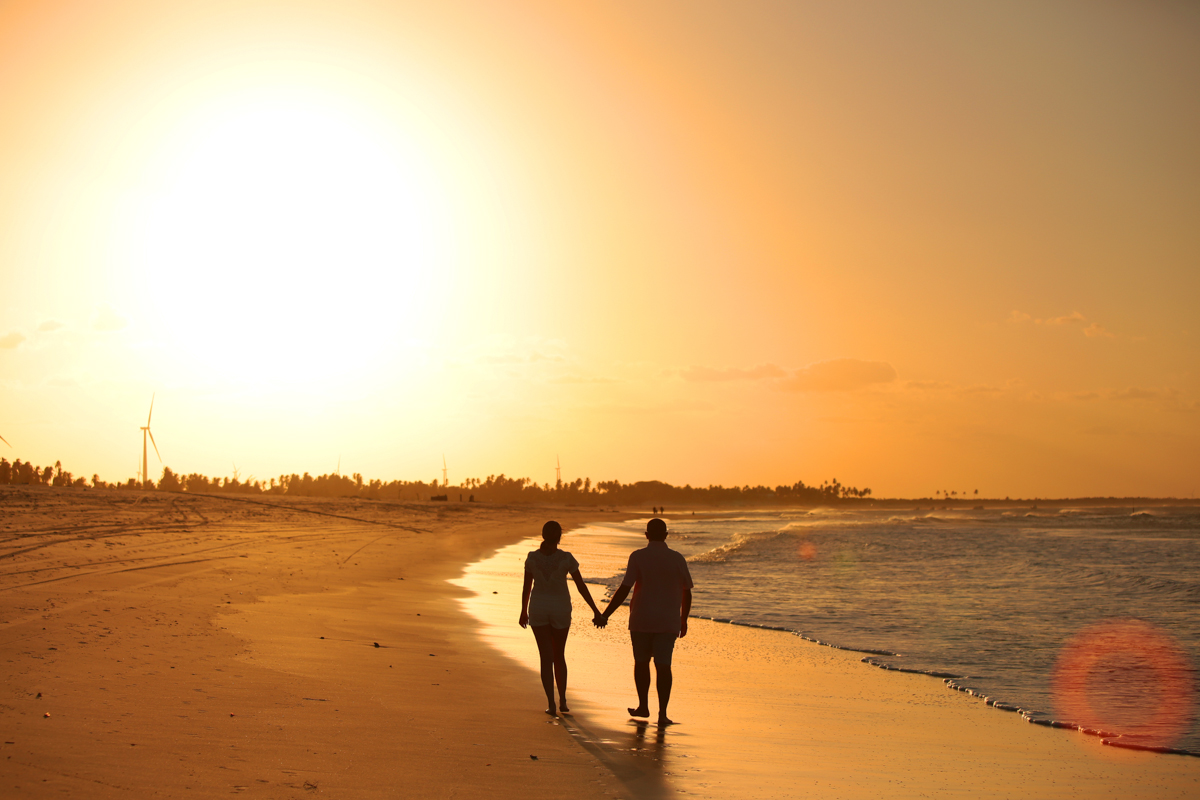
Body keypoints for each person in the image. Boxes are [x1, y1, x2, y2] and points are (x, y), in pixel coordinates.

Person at [597, 518, 693, 725]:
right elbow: (687, 590)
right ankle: (663, 713)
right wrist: (683, 619)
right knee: (664, 665)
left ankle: (643, 706)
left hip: (642, 618)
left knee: (641, 662)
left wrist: (606, 614)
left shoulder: (638, 556)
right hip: (668, 620)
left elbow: (625, 588)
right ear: (666, 535)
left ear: (646, 535)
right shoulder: (677, 558)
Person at [519, 520, 604, 716]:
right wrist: (595, 611)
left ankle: (551, 704)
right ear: (559, 537)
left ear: (543, 536)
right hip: (560, 609)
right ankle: (563, 700)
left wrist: (523, 611)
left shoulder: (532, 558)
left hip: (538, 608)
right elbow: (581, 587)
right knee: (559, 655)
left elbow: (526, 588)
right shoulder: (566, 558)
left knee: (545, 657)